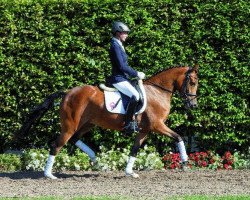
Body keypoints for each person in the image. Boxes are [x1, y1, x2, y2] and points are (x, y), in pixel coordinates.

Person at [108, 21, 145, 134]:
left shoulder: (119, 44)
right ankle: (128, 124)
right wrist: (136, 73)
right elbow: (122, 66)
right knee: (135, 96)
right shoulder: (115, 45)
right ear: (118, 33)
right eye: (125, 33)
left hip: (123, 78)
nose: (127, 35)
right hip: (118, 78)